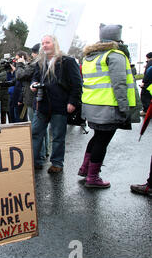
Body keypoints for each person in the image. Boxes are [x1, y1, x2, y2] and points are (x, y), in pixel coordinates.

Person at [78, 24, 141, 188]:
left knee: (97, 137)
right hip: (108, 107)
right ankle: (93, 178)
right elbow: (119, 84)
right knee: (102, 141)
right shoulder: (115, 55)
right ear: (118, 38)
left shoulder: (90, 57)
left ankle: (85, 170)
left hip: (92, 106)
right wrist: (125, 108)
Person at [30, 34, 82, 173]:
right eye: (43, 43)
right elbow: (34, 77)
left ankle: (57, 163)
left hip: (60, 105)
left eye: (47, 42)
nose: (44, 45)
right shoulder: (40, 62)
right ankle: (35, 161)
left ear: (55, 44)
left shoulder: (67, 61)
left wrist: (73, 102)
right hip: (41, 105)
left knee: (58, 136)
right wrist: (33, 84)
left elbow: (77, 84)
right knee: (35, 133)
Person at [13, 50, 31, 122]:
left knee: (21, 119)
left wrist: (21, 99)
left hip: (22, 99)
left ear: (22, 57)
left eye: (17, 59)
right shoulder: (19, 67)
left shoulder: (25, 67)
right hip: (17, 97)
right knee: (18, 118)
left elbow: (24, 85)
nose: (15, 61)